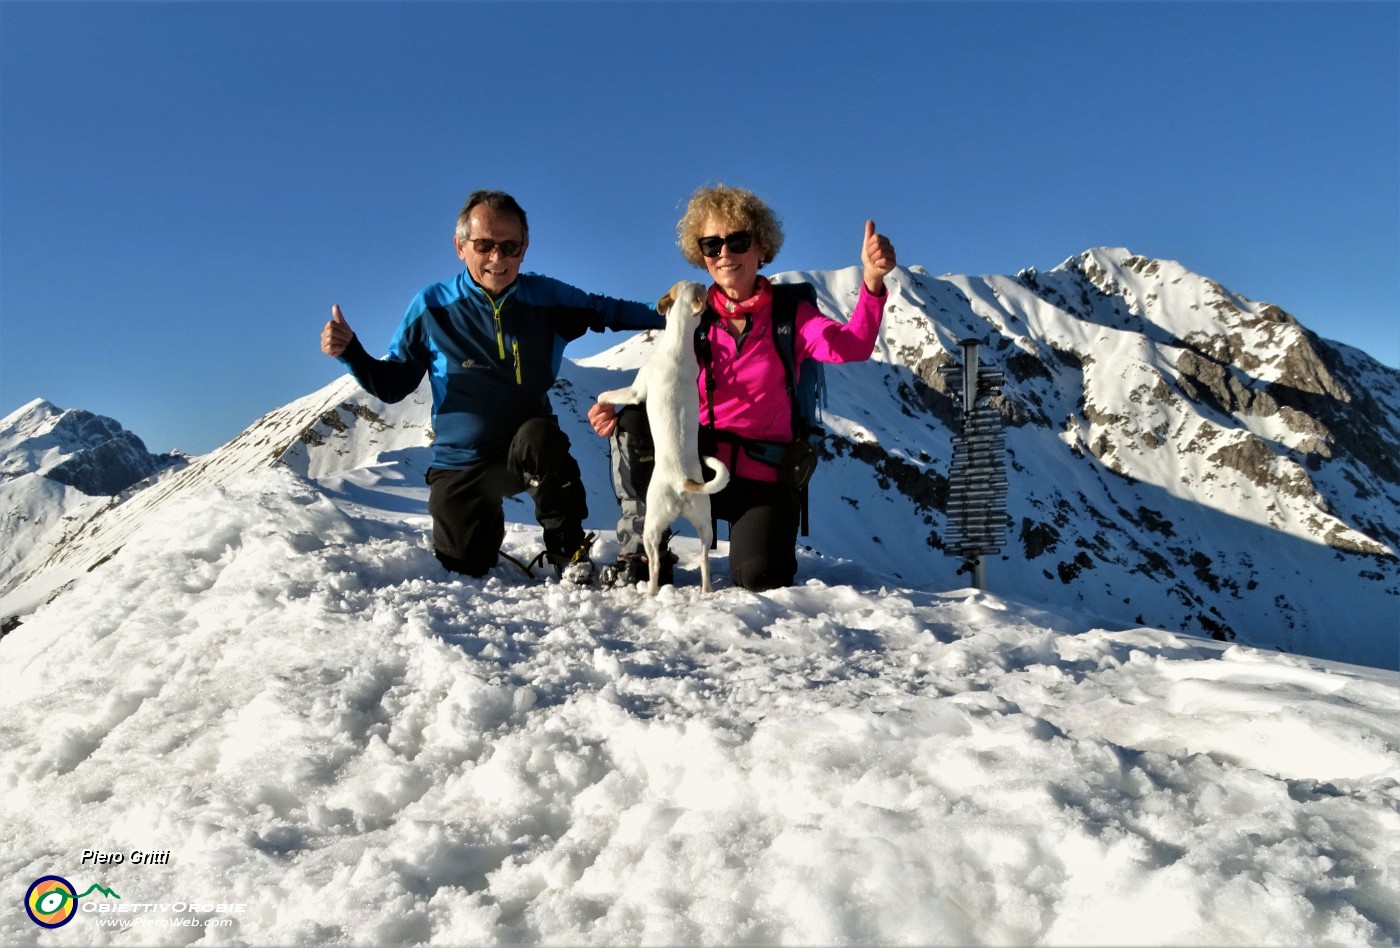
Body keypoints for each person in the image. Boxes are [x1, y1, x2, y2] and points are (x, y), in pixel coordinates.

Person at [321, 189, 663, 583]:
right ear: (460, 247)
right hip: (461, 462)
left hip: (527, 453)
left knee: (540, 436)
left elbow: (610, 311)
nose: (497, 259)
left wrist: (680, 316)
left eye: (510, 246)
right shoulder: (432, 307)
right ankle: (482, 523)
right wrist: (352, 353)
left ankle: (569, 551)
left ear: (525, 247)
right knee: (465, 566)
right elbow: (394, 384)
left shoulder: (545, 299)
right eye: (484, 245)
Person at [588, 183, 896, 591]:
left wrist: (872, 283)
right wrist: (609, 409)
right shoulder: (690, 320)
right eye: (712, 245)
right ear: (701, 256)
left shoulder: (790, 315)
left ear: (761, 247)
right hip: (694, 468)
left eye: (738, 241)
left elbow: (852, 345)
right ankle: (643, 549)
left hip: (763, 478)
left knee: (760, 578)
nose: (725, 254)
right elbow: (655, 387)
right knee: (632, 419)